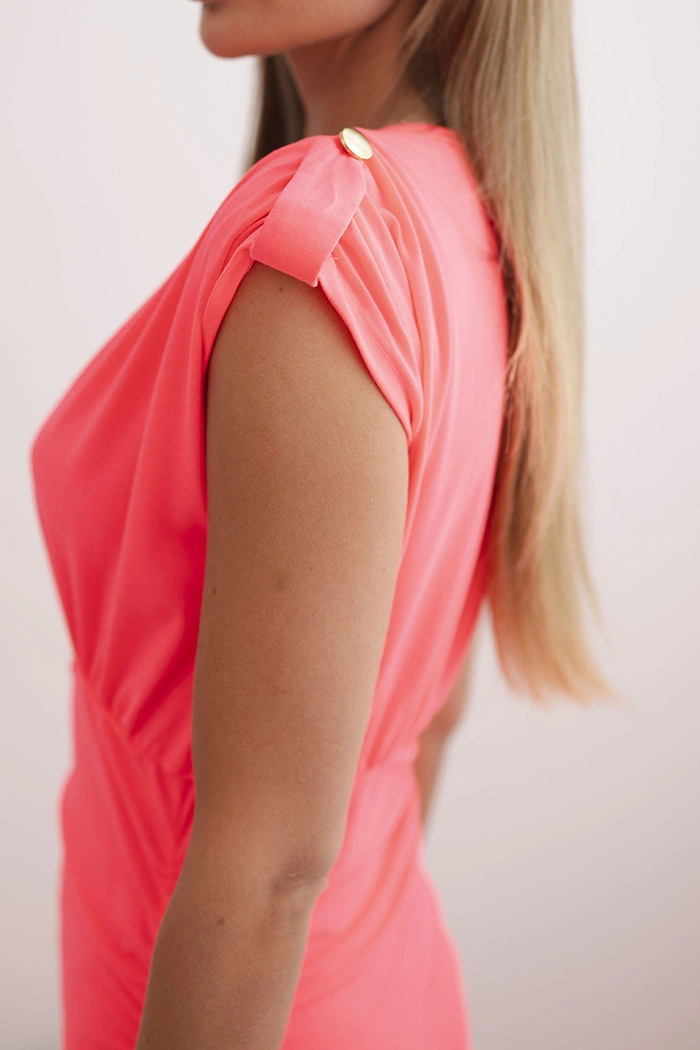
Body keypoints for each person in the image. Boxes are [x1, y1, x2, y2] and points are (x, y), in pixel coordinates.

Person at [29, 0, 617, 1047]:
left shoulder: (324, 245)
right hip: (360, 982)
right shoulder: (458, 212)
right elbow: (425, 722)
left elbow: (266, 876)